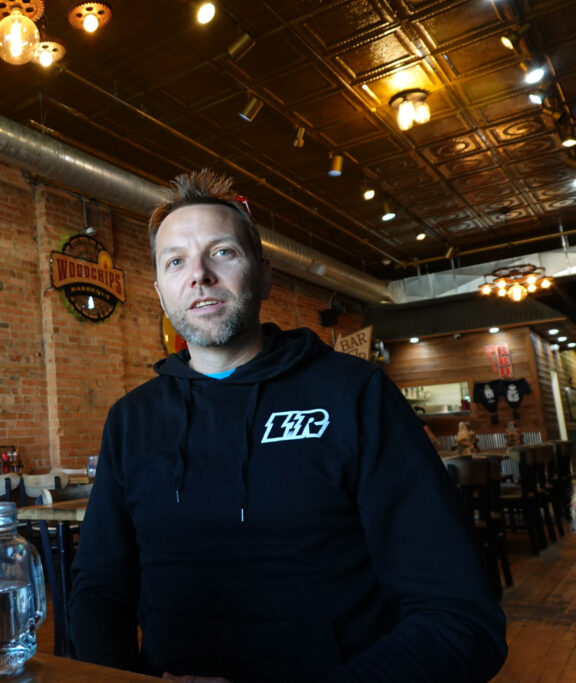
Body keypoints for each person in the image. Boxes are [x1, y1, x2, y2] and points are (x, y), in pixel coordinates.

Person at [68, 169, 507, 682]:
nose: (200, 275)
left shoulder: (354, 393)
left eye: (223, 252)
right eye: (176, 261)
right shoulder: (131, 419)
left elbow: (461, 619)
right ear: (162, 293)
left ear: (265, 274)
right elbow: (100, 591)